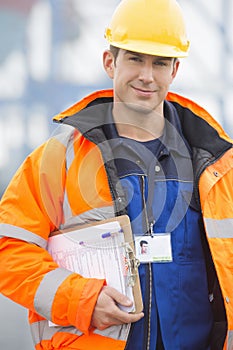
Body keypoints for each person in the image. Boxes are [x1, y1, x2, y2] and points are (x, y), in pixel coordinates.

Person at [0, 0, 232, 349]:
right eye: (135, 58)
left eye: (160, 63)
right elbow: (9, 248)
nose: (146, 75)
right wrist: (80, 299)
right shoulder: (58, 159)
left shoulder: (217, 167)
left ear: (175, 71)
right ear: (110, 62)